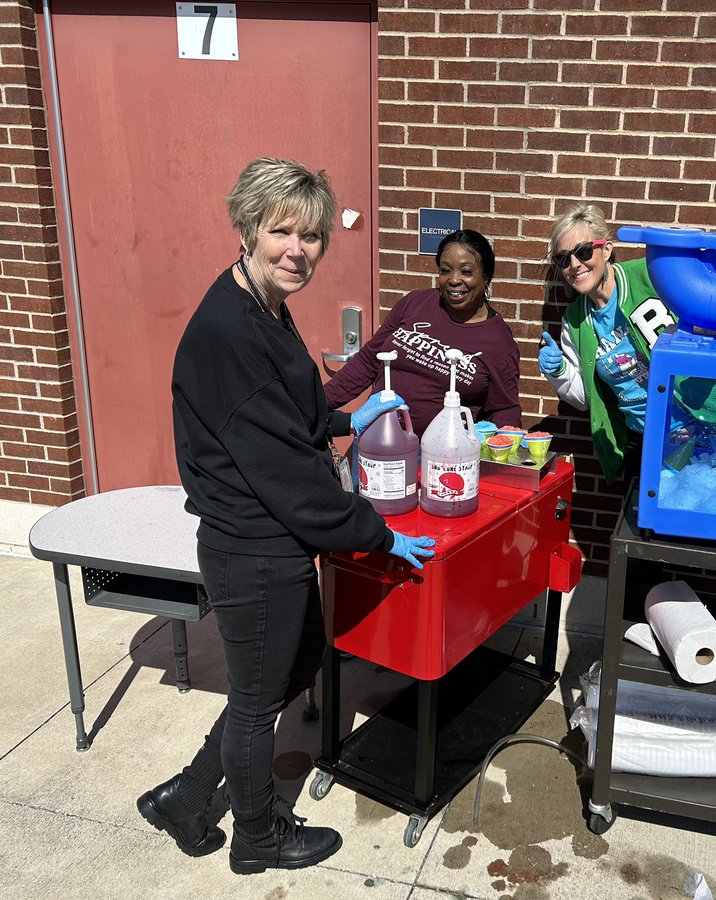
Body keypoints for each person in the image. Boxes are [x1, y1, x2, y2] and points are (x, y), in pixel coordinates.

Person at [140, 157, 435, 875]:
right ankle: (256, 838)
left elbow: (287, 412)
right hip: (253, 546)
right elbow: (289, 480)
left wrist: (346, 415)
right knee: (256, 700)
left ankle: (186, 795)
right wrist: (378, 533)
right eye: (282, 231)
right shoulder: (231, 333)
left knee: (287, 669)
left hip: (268, 540)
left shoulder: (261, 303)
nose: (298, 250)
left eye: (311, 236)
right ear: (248, 227)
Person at [538, 203, 716, 485]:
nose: (575, 265)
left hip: (711, 426)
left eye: (583, 251)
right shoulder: (576, 321)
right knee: (646, 525)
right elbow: (584, 398)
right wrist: (558, 372)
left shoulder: (654, 276)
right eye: (563, 259)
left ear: (606, 250)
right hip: (646, 441)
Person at [324, 229, 521, 435]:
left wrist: (504, 447)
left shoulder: (498, 341)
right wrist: (315, 407)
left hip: (443, 457)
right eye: (445, 270)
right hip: (379, 442)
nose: (454, 280)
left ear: (486, 277)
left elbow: (504, 409)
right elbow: (367, 362)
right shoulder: (416, 303)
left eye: (466, 272)